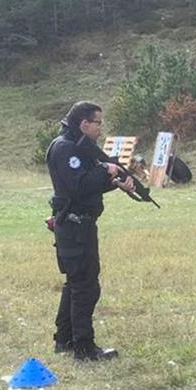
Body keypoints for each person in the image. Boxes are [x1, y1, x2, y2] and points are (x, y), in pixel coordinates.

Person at [45, 102, 139, 359]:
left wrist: (115, 181)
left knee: (76, 283)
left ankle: (65, 339)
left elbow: (89, 184)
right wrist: (105, 170)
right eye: (98, 123)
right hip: (74, 225)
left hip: (80, 223)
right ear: (84, 124)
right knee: (85, 286)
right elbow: (78, 185)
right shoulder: (66, 148)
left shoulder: (76, 146)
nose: (100, 128)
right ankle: (84, 347)